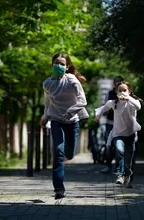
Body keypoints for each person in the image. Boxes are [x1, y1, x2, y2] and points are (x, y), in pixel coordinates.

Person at [40, 53, 89, 199]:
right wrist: (45, 116)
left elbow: (82, 101)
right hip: (56, 120)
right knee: (58, 153)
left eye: (62, 64)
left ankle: (69, 153)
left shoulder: (72, 81)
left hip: (72, 121)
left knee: (69, 154)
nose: (59, 66)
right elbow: (48, 103)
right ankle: (59, 189)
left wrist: (70, 113)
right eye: (56, 63)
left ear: (67, 67)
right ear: (52, 64)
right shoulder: (47, 83)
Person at [96, 81, 142, 188]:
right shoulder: (113, 103)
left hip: (130, 135)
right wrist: (97, 115)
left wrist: (128, 98)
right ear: (116, 92)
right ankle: (119, 175)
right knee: (119, 150)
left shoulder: (132, 102)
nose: (122, 92)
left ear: (129, 91)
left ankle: (127, 176)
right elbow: (103, 108)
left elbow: (138, 106)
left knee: (128, 161)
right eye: (119, 90)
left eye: (124, 90)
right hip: (118, 134)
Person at [100, 76, 124, 173]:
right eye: (116, 82)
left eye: (120, 81)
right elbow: (104, 108)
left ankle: (119, 168)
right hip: (110, 123)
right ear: (114, 83)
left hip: (122, 124)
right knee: (109, 146)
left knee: (120, 147)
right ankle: (108, 166)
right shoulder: (109, 94)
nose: (118, 83)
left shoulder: (125, 93)